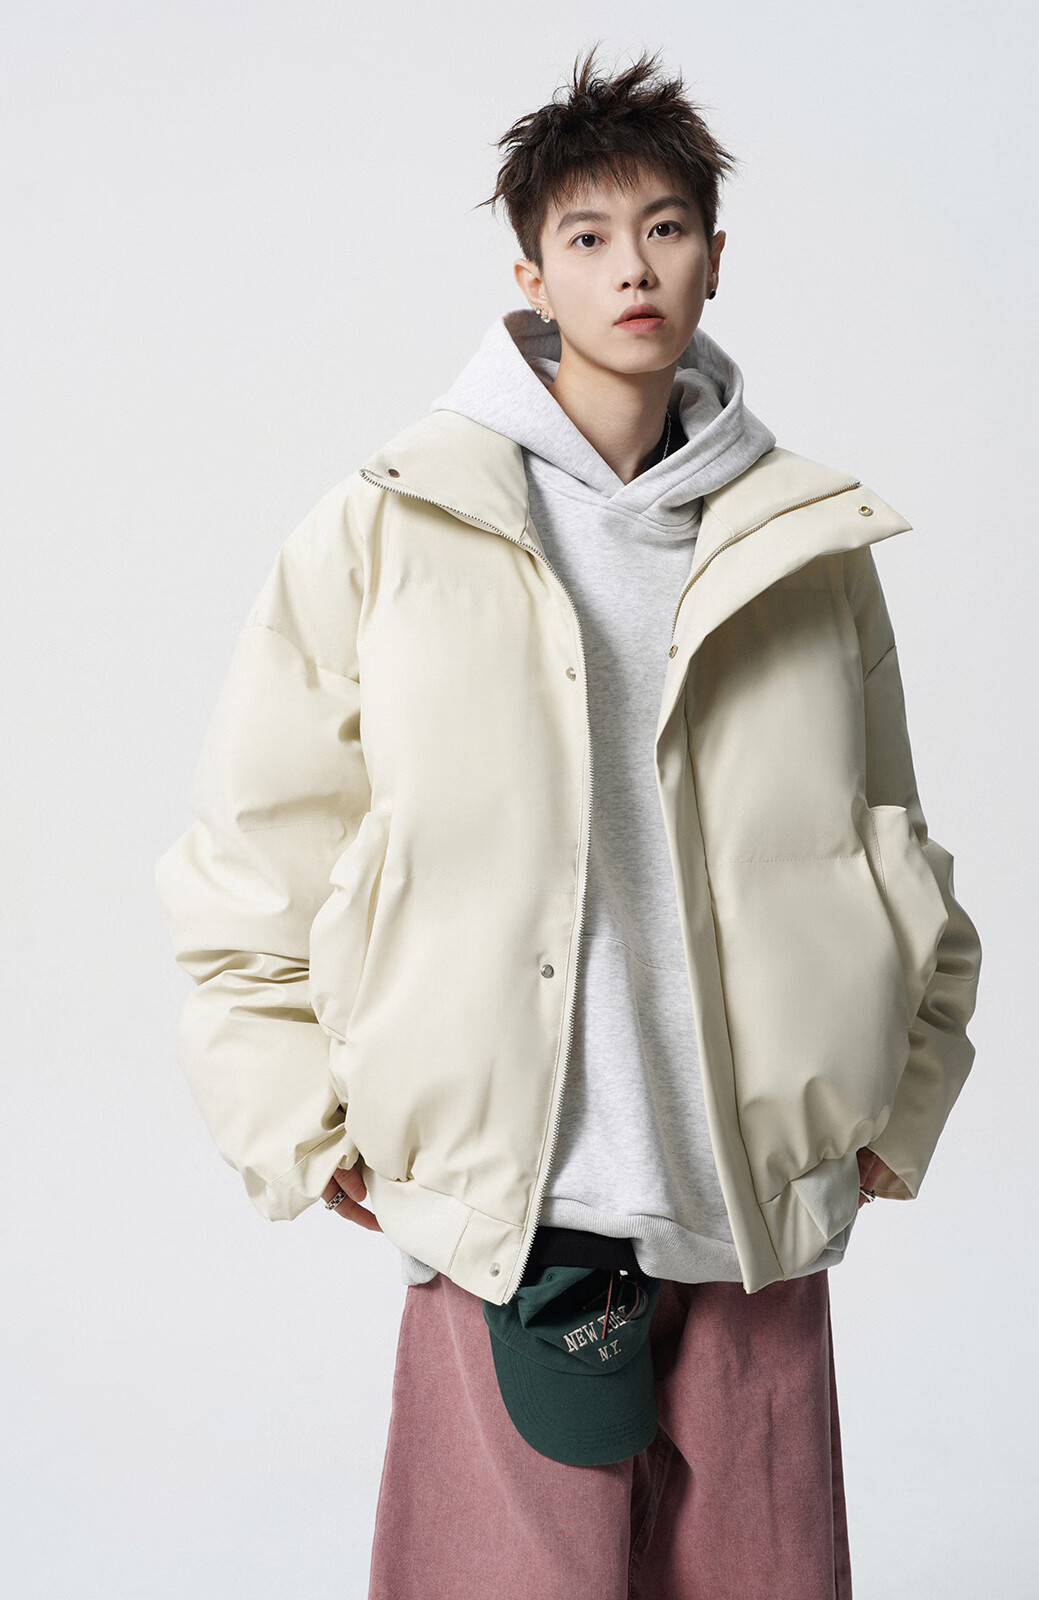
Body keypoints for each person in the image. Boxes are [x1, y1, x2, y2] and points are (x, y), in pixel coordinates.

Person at [154, 44, 982, 1600]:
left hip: (749, 1194)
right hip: (509, 1200)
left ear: (717, 257)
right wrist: (294, 1113)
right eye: (590, 237)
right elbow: (258, 844)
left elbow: (895, 844)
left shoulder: (803, 543)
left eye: (666, 229)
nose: (634, 269)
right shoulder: (391, 521)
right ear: (530, 275)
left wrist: (905, 1095)